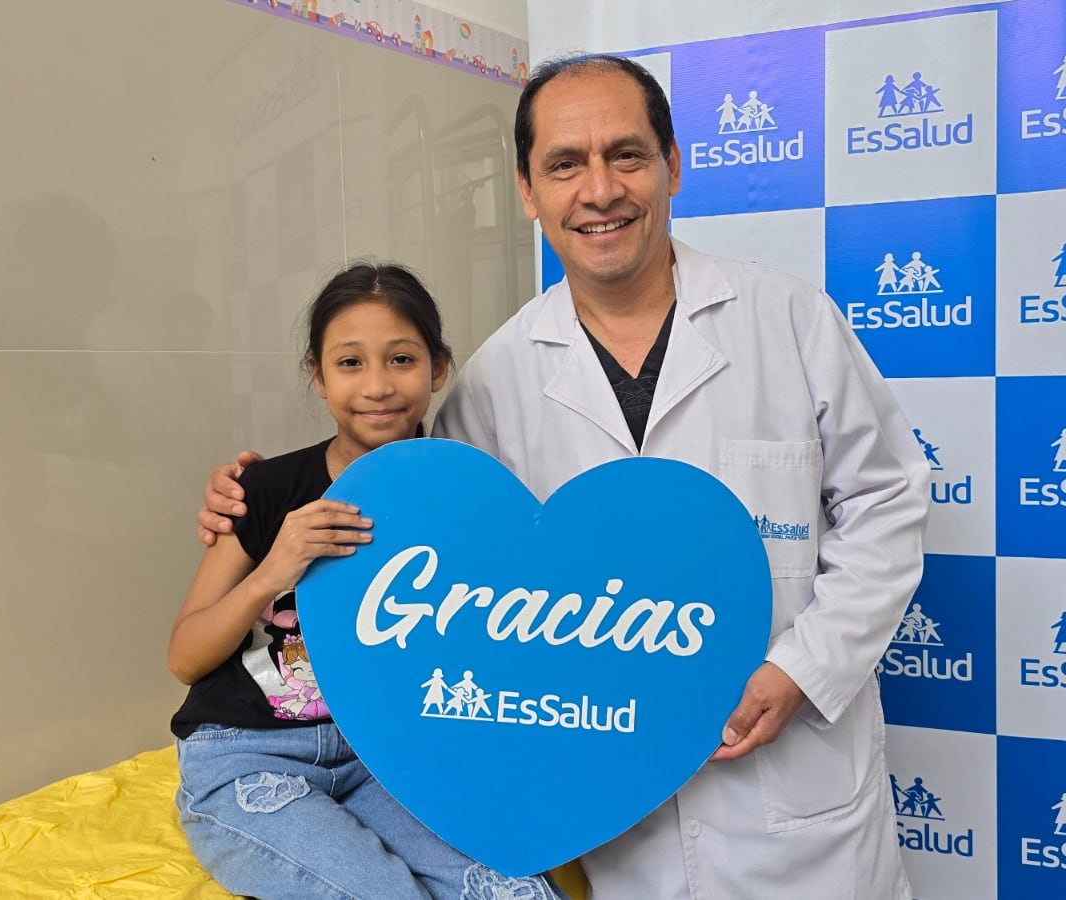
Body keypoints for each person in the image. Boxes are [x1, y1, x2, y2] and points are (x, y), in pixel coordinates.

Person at [200, 54, 929, 900]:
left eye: (627, 155)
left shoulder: (790, 321)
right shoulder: (495, 380)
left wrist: (805, 669)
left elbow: (886, 503)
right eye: (565, 164)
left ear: (672, 165)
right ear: (527, 190)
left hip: (794, 803)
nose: (600, 190)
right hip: (605, 809)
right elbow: (425, 537)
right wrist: (253, 500)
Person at [168, 263, 557, 900]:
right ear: (319, 377)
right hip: (246, 755)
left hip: (387, 759)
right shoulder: (265, 490)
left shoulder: (466, 499)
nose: (377, 385)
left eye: (401, 359)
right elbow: (185, 656)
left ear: (438, 368)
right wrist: (273, 570)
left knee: (514, 892)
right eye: (350, 363)